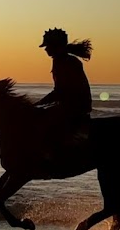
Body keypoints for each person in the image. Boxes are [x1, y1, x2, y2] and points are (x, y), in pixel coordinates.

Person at [34, 28, 93, 162]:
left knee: (46, 124)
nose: (45, 49)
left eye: (47, 46)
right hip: (70, 103)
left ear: (56, 46)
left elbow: (60, 91)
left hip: (77, 106)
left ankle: (51, 157)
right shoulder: (60, 60)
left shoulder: (68, 62)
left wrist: (38, 104)